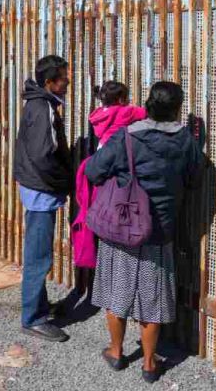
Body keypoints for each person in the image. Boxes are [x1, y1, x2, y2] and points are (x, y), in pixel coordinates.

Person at [85, 81, 203, 384]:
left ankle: (116, 351)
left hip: (122, 227)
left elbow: (93, 171)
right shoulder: (186, 141)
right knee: (153, 298)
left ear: (149, 104)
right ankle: (150, 364)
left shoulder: (127, 136)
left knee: (116, 290)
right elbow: (194, 179)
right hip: (160, 231)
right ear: (177, 108)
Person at [12, 55, 73, 342]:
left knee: (38, 252)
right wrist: (64, 181)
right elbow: (42, 156)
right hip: (41, 190)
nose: (68, 81)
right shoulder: (42, 108)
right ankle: (33, 318)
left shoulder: (39, 103)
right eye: (63, 77)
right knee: (39, 256)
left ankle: (38, 306)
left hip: (36, 186)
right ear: (50, 82)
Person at [71, 82, 147, 295]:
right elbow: (146, 113)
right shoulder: (125, 112)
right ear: (121, 99)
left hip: (101, 153)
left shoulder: (98, 115)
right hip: (116, 155)